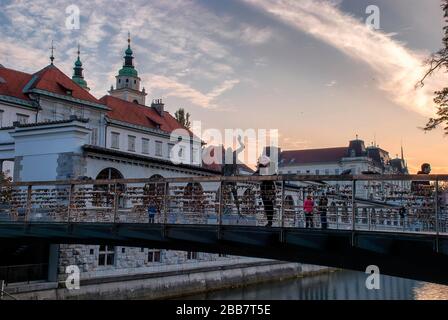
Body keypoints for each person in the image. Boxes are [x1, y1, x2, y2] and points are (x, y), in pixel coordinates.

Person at [222, 136, 245, 217]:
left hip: (229, 180)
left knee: (232, 196)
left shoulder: (230, 157)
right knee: (230, 195)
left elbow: (242, 147)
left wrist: (239, 141)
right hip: (229, 180)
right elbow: (223, 170)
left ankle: (237, 211)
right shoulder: (227, 159)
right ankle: (233, 211)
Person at [254, 155, 276, 227]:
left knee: (268, 205)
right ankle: (269, 221)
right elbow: (255, 175)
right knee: (268, 205)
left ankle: (270, 221)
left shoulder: (268, 168)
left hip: (267, 188)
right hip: (266, 188)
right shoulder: (264, 168)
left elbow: (274, 175)